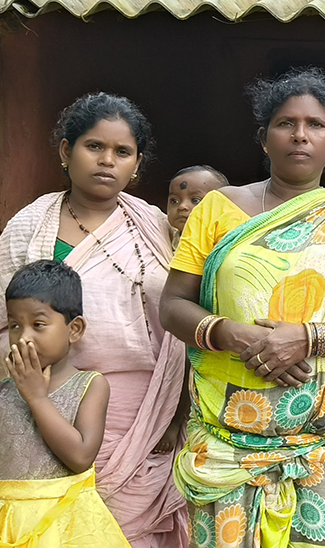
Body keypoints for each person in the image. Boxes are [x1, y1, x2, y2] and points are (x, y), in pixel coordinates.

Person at [160, 67, 325, 548]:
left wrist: (305, 338)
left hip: (323, 443)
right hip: (224, 443)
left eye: (316, 125)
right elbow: (172, 305)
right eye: (286, 123)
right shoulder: (217, 209)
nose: (300, 135)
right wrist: (231, 334)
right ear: (263, 138)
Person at [0, 92, 188, 548]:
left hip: (147, 413)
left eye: (122, 152)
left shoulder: (155, 227)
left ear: (137, 163)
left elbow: (180, 329)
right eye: (93, 147)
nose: (107, 161)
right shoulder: (29, 226)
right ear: (67, 152)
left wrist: (177, 412)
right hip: (38, 399)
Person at [0, 260, 130, 548]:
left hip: (66, 527)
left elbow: (81, 456)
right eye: (14, 325)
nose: (24, 338)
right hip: (8, 525)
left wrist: (36, 397)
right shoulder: (4, 392)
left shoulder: (90, 385)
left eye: (38, 325)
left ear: (74, 330)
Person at [166, 165, 229, 248]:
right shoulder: (166, 241)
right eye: (174, 201)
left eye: (195, 200)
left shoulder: (223, 242)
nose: (182, 206)